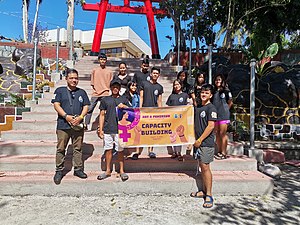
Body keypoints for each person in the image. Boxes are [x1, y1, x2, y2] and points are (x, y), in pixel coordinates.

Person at [51, 68, 90, 185]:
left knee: (78, 148)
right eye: (71, 78)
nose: (74, 80)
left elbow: (86, 106)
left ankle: (78, 169)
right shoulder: (60, 91)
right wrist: (66, 116)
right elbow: (56, 105)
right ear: (66, 79)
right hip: (63, 125)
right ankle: (59, 170)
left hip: (78, 125)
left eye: (76, 78)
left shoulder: (82, 92)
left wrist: (81, 117)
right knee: (61, 148)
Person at [190, 84, 217, 208]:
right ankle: (203, 191)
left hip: (206, 143)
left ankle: (209, 195)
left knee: (206, 167)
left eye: (206, 93)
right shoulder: (199, 107)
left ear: (211, 95)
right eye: (202, 92)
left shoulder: (211, 108)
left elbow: (211, 126)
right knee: (202, 167)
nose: (203, 94)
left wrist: (200, 140)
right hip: (198, 142)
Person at [97, 79, 129, 181]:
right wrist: (100, 130)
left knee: (120, 151)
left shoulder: (124, 99)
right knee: (108, 149)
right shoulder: (105, 100)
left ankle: (122, 171)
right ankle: (107, 170)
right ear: (111, 88)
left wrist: (125, 107)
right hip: (108, 129)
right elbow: (101, 115)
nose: (115, 88)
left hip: (120, 129)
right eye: (113, 86)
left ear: (119, 88)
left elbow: (131, 112)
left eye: (117, 87)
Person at [139, 66, 164, 159]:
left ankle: (151, 151)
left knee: (152, 132)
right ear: (151, 74)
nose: (155, 75)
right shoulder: (144, 84)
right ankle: (138, 151)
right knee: (141, 131)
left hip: (154, 113)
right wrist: (140, 109)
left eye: (157, 73)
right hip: (144, 111)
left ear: (159, 75)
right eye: (154, 73)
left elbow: (159, 101)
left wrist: (161, 112)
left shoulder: (160, 87)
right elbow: (141, 97)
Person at [84, 53, 113, 131]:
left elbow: (111, 82)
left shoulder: (109, 71)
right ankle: (86, 125)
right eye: (101, 59)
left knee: (104, 111)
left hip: (105, 93)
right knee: (89, 109)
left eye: (104, 59)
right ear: (98, 60)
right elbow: (92, 83)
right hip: (96, 93)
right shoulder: (95, 70)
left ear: (106, 60)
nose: (102, 61)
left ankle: (103, 126)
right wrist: (96, 89)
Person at [166, 79, 189, 161]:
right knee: (173, 135)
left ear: (181, 85)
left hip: (181, 119)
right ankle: (175, 152)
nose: (176, 86)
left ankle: (179, 152)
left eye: (178, 84)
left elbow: (188, 107)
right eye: (175, 85)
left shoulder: (185, 95)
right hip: (173, 119)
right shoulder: (171, 96)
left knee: (180, 135)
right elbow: (168, 108)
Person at [212, 74, 233, 160]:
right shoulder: (213, 91)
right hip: (215, 115)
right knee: (216, 133)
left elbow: (230, 102)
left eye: (219, 80)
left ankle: (224, 153)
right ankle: (219, 151)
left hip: (223, 115)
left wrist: (226, 109)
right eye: (216, 80)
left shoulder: (226, 91)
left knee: (222, 133)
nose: (218, 81)